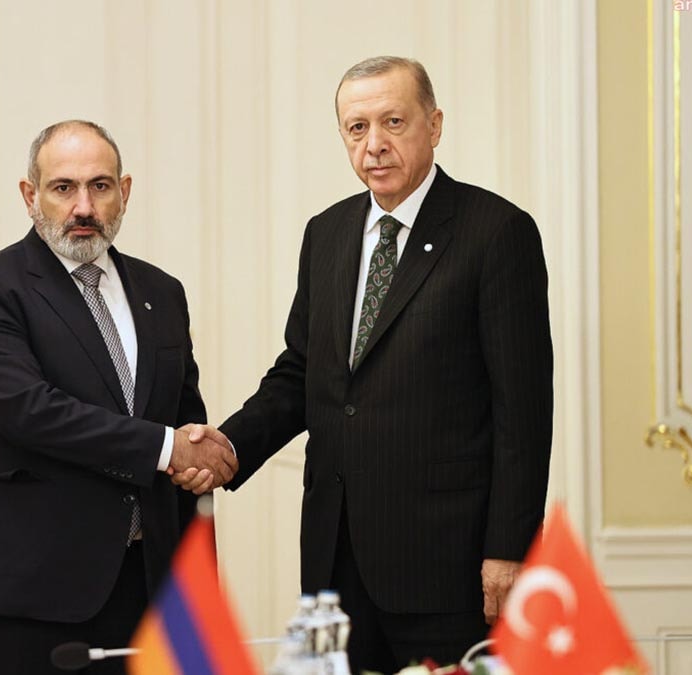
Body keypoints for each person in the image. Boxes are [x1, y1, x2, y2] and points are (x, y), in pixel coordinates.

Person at [176, 56, 553, 673]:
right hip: (336, 562)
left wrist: (509, 549)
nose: (373, 144)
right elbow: (302, 373)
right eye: (356, 128)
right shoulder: (326, 234)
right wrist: (230, 447)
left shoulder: (496, 233)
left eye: (392, 122)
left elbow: (524, 412)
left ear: (434, 125)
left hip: (448, 564)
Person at [0, 120, 238, 675]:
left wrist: (200, 453)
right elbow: (31, 412)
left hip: (152, 591)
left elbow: (183, 416)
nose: (84, 207)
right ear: (31, 195)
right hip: (32, 599)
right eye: (64, 187)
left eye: (100, 186)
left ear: (123, 192)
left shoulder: (162, 292)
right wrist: (169, 448)